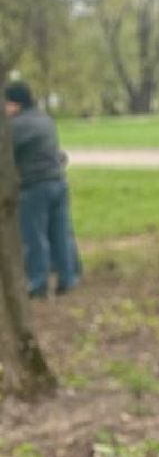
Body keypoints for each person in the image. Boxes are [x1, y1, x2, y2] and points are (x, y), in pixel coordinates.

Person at [4, 81, 79, 299]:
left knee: (34, 237)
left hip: (35, 187)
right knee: (60, 234)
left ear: (15, 104)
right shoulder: (45, 119)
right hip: (58, 183)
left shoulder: (17, 126)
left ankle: (37, 284)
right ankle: (68, 279)